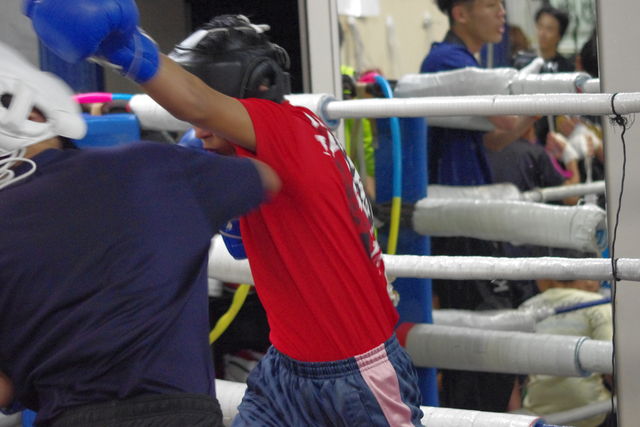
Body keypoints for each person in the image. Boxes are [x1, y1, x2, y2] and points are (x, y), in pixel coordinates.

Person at [24, 2, 425, 425]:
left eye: (213, 112)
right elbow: (237, 247)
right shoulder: (254, 157)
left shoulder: (287, 129)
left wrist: (124, 49)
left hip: (357, 374)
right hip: (285, 369)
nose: (198, 130)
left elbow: (197, 104)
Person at [0, 39, 280, 427]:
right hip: (178, 415)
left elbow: (4, 390)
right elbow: (265, 176)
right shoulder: (151, 168)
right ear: (35, 111)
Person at [419, 0, 538, 412]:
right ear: (461, 13)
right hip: (456, 221)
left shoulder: (462, 60)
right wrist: (533, 89)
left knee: (488, 351)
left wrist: (533, 110)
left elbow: (493, 138)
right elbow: (504, 118)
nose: (502, 12)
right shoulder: (447, 60)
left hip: (470, 216)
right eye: (490, 4)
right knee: (480, 348)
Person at [519, 251, 613, 427]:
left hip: (538, 412)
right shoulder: (598, 304)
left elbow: (515, 367)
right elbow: (610, 364)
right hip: (591, 411)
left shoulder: (527, 307)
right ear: (589, 277)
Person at [534, 6, 574, 73]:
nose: (542, 34)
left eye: (549, 29)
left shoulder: (565, 68)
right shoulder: (524, 61)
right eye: (540, 26)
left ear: (559, 35)